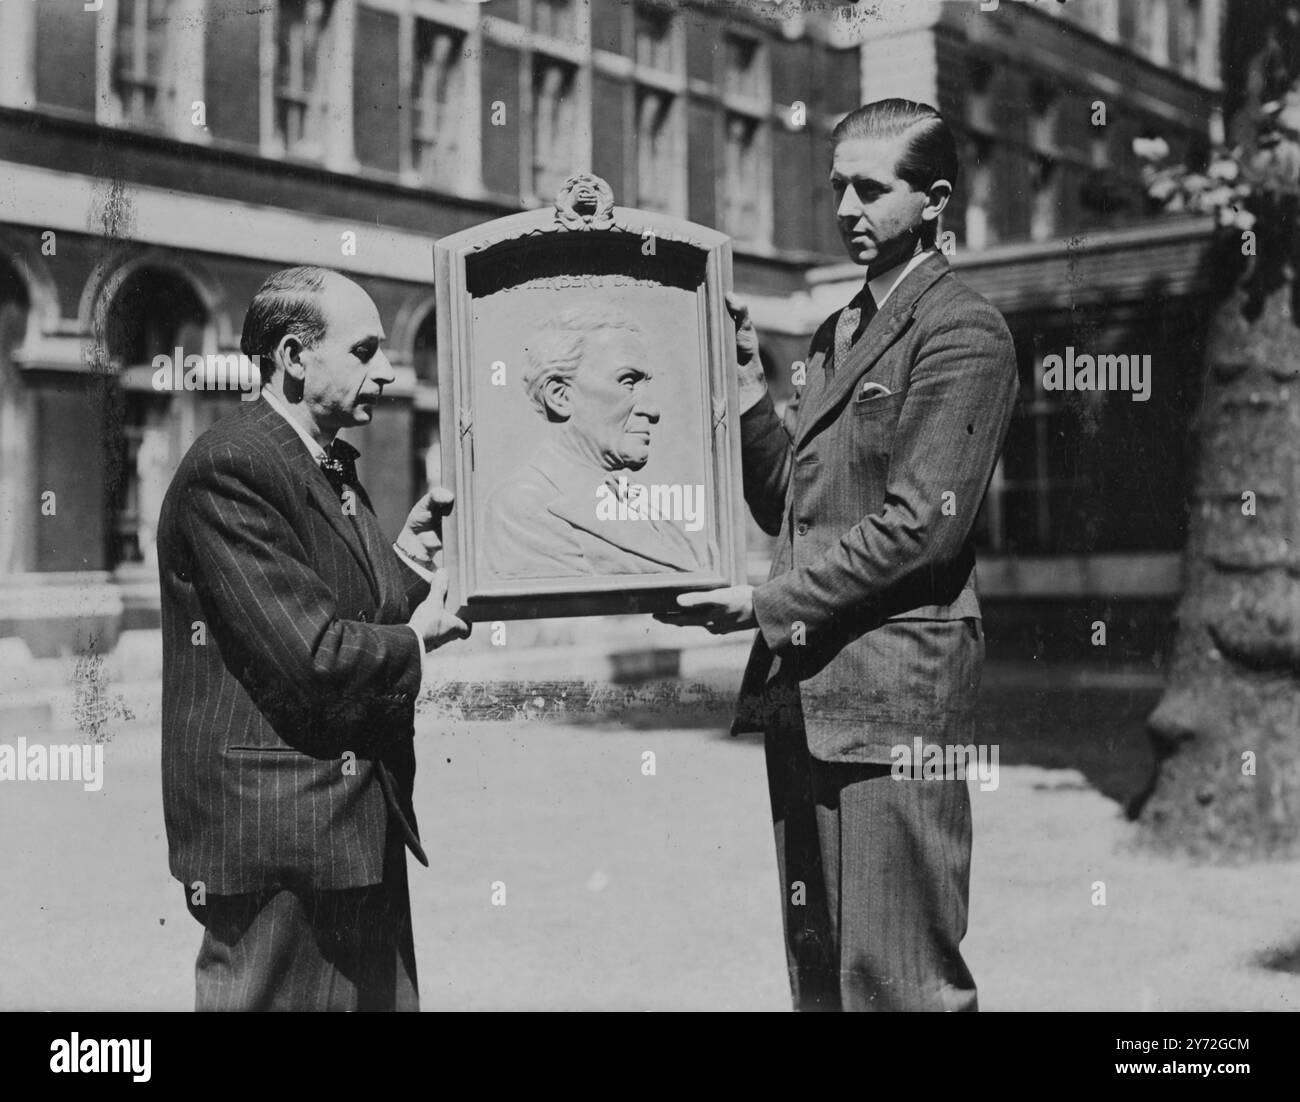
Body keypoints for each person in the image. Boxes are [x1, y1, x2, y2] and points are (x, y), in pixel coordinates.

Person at [658, 99, 1019, 1011]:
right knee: (820, 976)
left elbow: (921, 525)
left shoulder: (962, 331)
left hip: (896, 702)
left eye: (871, 189)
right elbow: (794, 508)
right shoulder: (835, 335)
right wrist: (747, 392)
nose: (848, 208)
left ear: (934, 199)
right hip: (811, 697)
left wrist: (763, 606)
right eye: (837, 189)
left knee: (899, 981)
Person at [157, 266, 469, 1011]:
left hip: (347, 826)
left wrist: (405, 565)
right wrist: (419, 643)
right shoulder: (233, 466)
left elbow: (339, 610)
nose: (389, 372)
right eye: (365, 352)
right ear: (294, 357)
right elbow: (313, 656)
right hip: (283, 844)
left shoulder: (320, 459)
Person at [482, 306, 706, 577]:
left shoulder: (635, 500)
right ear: (560, 396)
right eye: (628, 382)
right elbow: (568, 617)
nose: (653, 409)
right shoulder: (522, 508)